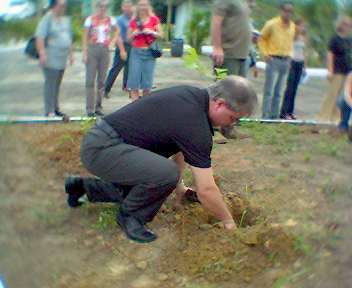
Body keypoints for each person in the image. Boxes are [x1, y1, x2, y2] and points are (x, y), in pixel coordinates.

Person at [64, 76, 258, 243]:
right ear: (220, 104)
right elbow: (206, 190)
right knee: (165, 174)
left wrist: (180, 188)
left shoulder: (192, 98)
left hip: (106, 143)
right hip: (103, 149)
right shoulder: (195, 123)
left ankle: (81, 188)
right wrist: (228, 222)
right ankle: (130, 216)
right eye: (233, 118)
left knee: (151, 184)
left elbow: (181, 147)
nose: (233, 124)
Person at [83, 0, 125, 117]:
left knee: (101, 80)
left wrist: (112, 42)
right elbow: (85, 36)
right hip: (92, 48)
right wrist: (85, 52)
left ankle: (98, 107)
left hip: (104, 49)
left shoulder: (110, 20)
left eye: (105, 7)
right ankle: (89, 108)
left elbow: (117, 30)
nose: (103, 9)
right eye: (101, 6)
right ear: (97, 7)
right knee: (90, 80)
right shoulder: (90, 20)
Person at [35, 0, 73, 117]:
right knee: (50, 84)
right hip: (51, 56)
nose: (63, 8)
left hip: (62, 58)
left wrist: (71, 54)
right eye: (61, 6)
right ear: (54, 6)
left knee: (57, 84)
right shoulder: (47, 18)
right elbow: (39, 37)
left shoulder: (65, 20)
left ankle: (55, 108)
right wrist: (42, 53)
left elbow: (69, 37)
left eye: (64, 6)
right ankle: (49, 110)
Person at [258, 1, 295, 119]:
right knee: (269, 90)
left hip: (286, 60)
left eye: (290, 11)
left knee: (279, 91)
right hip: (273, 59)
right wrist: (265, 54)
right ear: (281, 11)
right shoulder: (272, 24)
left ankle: (274, 116)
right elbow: (261, 38)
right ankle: (265, 116)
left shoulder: (293, 26)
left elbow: (291, 42)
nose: (288, 13)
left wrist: (290, 56)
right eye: (286, 11)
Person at [127, 0, 163, 101]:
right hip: (136, 53)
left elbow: (161, 35)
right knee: (134, 81)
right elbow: (128, 39)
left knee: (147, 83)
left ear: (148, 6)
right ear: (138, 7)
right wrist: (134, 34)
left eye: (145, 5)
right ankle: (134, 107)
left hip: (149, 53)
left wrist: (152, 32)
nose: (143, 7)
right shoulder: (134, 21)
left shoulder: (154, 19)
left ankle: (144, 108)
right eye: (141, 5)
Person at [318, 16, 352, 123]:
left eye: (350, 25)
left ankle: (336, 118)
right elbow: (330, 54)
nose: (348, 27)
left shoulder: (349, 40)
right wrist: (330, 70)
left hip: (347, 72)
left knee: (341, 97)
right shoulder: (335, 39)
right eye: (346, 24)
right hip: (337, 71)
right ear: (341, 25)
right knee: (332, 95)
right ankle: (323, 118)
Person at [211, 0, 253, 78]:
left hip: (242, 55)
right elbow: (216, 22)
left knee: (240, 88)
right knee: (224, 87)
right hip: (228, 54)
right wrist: (217, 47)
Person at [104, 0, 134, 98]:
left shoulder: (134, 19)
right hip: (122, 44)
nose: (128, 9)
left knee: (129, 68)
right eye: (126, 7)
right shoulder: (120, 20)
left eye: (129, 7)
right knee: (116, 68)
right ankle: (105, 89)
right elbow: (118, 36)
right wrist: (122, 50)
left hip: (132, 46)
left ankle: (126, 86)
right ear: (122, 8)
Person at [280, 19, 307, 120]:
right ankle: (284, 112)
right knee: (289, 88)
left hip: (300, 62)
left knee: (295, 89)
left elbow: (304, 52)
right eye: (300, 26)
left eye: (303, 26)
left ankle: (291, 112)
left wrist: (305, 65)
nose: (302, 28)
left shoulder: (303, 38)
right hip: (292, 61)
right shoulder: (292, 36)